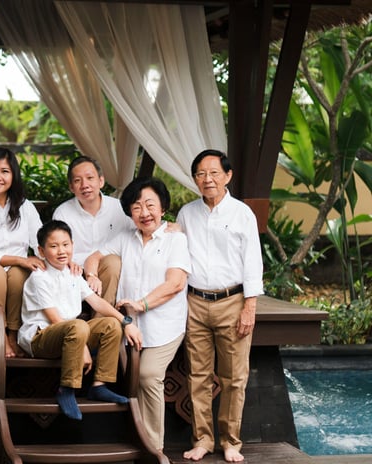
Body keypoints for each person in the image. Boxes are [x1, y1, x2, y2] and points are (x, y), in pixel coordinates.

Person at [84, 177, 190, 452]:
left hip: (164, 325)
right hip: (128, 326)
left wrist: (141, 304)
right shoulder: (124, 238)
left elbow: (175, 284)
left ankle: (154, 449)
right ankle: (139, 442)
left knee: (148, 375)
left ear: (163, 207)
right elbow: (94, 257)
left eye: (150, 205)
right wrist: (93, 274)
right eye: (136, 207)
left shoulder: (175, 240)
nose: (144, 213)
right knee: (129, 375)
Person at [177, 149, 264, 463]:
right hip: (195, 302)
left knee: (233, 378)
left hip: (232, 301)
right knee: (198, 377)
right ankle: (202, 440)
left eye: (214, 173)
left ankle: (230, 442)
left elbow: (253, 262)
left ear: (228, 176)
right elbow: (177, 258)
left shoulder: (242, 213)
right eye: (201, 173)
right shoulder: (186, 214)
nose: (207, 179)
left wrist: (249, 307)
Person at [18, 220, 143, 420]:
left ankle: (99, 385)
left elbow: (97, 302)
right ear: (41, 251)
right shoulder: (38, 278)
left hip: (73, 333)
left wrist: (126, 322)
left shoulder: (73, 274)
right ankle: (66, 389)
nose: (61, 251)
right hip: (41, 337)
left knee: (111, 325)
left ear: (72, 246)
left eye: (66, 245)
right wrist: (83, 348)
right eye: (54, 246)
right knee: (77, 326)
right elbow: (55, 319)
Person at [0, 147, 44, 358]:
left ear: (13, 175)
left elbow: (39, 242)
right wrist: (19, 259)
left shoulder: (25, 207)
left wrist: (43, 261)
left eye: (5, 171)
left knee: (19, 274)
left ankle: (13, 334)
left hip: (17, 271)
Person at [53, 156, 133, 305]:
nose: (85, 185)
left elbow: (138, 236)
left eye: (90, 178)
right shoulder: (62, 213)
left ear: (101, 181)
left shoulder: (119, 208)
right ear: (71, 187)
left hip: (113, 271)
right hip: (75, 271)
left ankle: (102, 323)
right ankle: (104, 324)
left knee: (112, 262)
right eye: (77, 181)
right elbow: (56, 249)